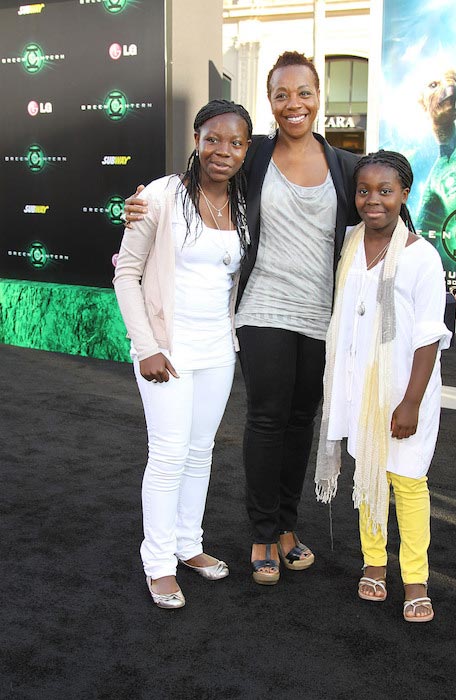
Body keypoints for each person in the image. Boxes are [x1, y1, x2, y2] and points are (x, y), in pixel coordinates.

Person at [124, 51, 360, 586]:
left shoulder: (343, 166)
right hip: (260, 313)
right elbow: (180, 192)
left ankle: (283, 527)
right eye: (281, 94)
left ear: (318, 96)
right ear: (270, 102)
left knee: (299, 423)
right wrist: (134, 205)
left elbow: (382, 211)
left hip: (318, 316)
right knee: (265, 420)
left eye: (303, 92)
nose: (293, 103)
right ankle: (258, 534)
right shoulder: (253, 157)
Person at [113, 99, 252, 608]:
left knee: (200, 453)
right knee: (168, 455)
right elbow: (126, 273)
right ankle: (158, 562)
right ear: (196, 138)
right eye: (213, 138)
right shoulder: (160, 195)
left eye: (235, 142)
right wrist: (146, 346)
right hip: (165, 350)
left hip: (218, 349)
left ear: (245, 151)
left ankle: (189, 545)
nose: (223, 150)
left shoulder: (242, 201)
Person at [315, 150, 452, 621]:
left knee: (408, 483)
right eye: (364, 190)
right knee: (368, 474)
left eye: (385, 191)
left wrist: (411, 400)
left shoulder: (421, 256)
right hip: (357, 387)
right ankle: (375, 564)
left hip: (404, 391)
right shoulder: (349, 243)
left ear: (404, 195)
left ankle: (416, 579)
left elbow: (429, 335)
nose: (373, 200)